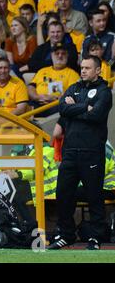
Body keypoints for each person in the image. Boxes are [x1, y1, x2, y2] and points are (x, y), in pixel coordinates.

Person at [48, 56, 113, 250]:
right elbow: (62, 107)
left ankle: (96, 238)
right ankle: (67, 234)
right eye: (81, 67)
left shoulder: (104, 91)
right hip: (70, 151)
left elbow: (97, 115)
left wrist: (73, 108)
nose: (83, 71)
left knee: (94, 196)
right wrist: (84, 106)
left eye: (87, 68)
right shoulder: (74, 87)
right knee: (63, 193)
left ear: (98, 70)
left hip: (92, 152)